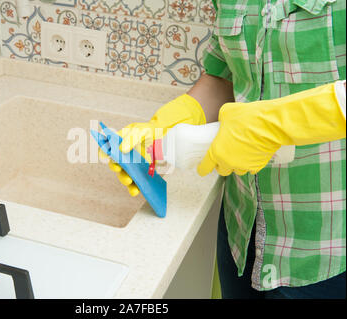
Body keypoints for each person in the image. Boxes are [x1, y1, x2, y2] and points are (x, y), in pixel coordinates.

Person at [100, 0, 346, 299]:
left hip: (328, 250)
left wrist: (278, 124)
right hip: (243, 230)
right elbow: (226, 74)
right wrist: (170, 122)